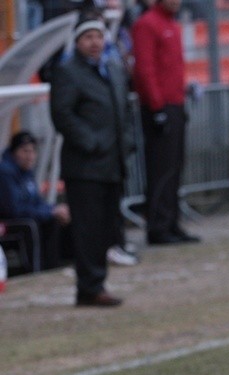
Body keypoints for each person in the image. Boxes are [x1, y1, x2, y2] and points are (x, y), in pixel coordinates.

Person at [50, 16, 134, 306]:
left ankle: (96, 282)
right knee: (88, 227)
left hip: (111, 162)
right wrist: (90, 141)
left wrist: (126, 143)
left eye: (98, 36)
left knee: (106, 226)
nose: (95, 42)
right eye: (88, 37)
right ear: (77, 42)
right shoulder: (68, 72)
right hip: (85, 165)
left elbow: (123, 107)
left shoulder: (111, 68)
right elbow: (62, 114)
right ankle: (90, 286)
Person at [132, 0, 200, 245]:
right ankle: (158, 226)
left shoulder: (170, 24)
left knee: (174, 167)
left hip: (175, 104)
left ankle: (171, 222)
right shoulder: (147, 25)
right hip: (160, 107)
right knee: (161, 169)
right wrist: (156, 106)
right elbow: (145, 69)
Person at [0, 131, 71, 270]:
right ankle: (35, 270)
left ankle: (56, 266)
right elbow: (13, 210)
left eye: (33, 151)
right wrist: (50, 212)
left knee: (57, 218)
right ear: (14, 152)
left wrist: (53, 210)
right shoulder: (5, 173)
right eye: (25, 151)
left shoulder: (27, 172)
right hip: (8, 223)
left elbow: (37, 202)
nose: (30, 156)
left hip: (24, 217)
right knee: (30, 225)